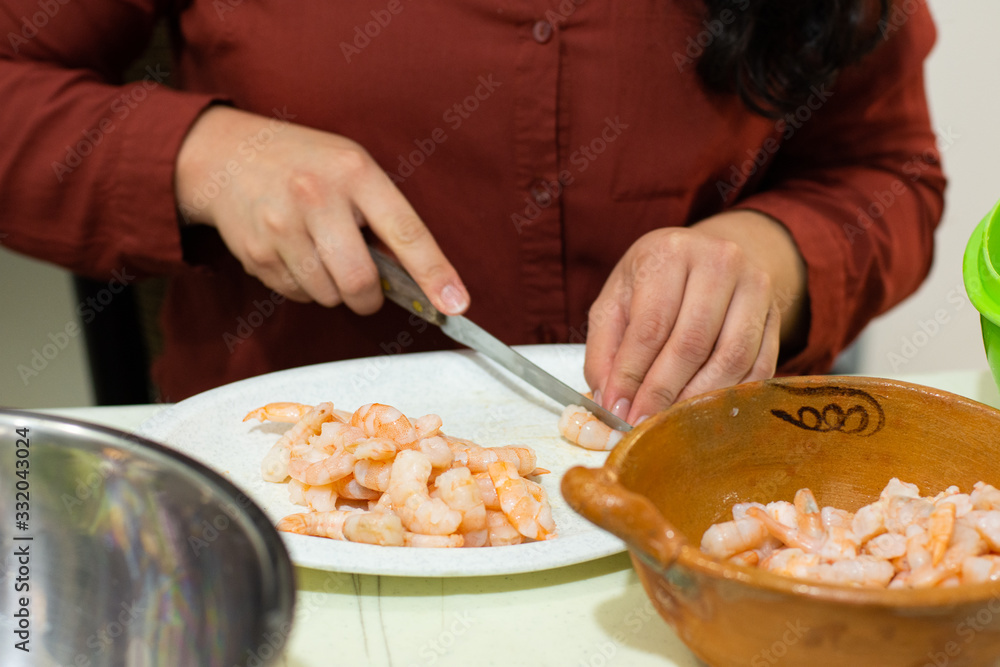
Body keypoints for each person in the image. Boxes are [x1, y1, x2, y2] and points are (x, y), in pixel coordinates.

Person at [0, 0, 944, 424]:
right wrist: (205, 156)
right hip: (296, 516)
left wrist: (770, 256)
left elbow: (888, 168)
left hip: (697, 501)